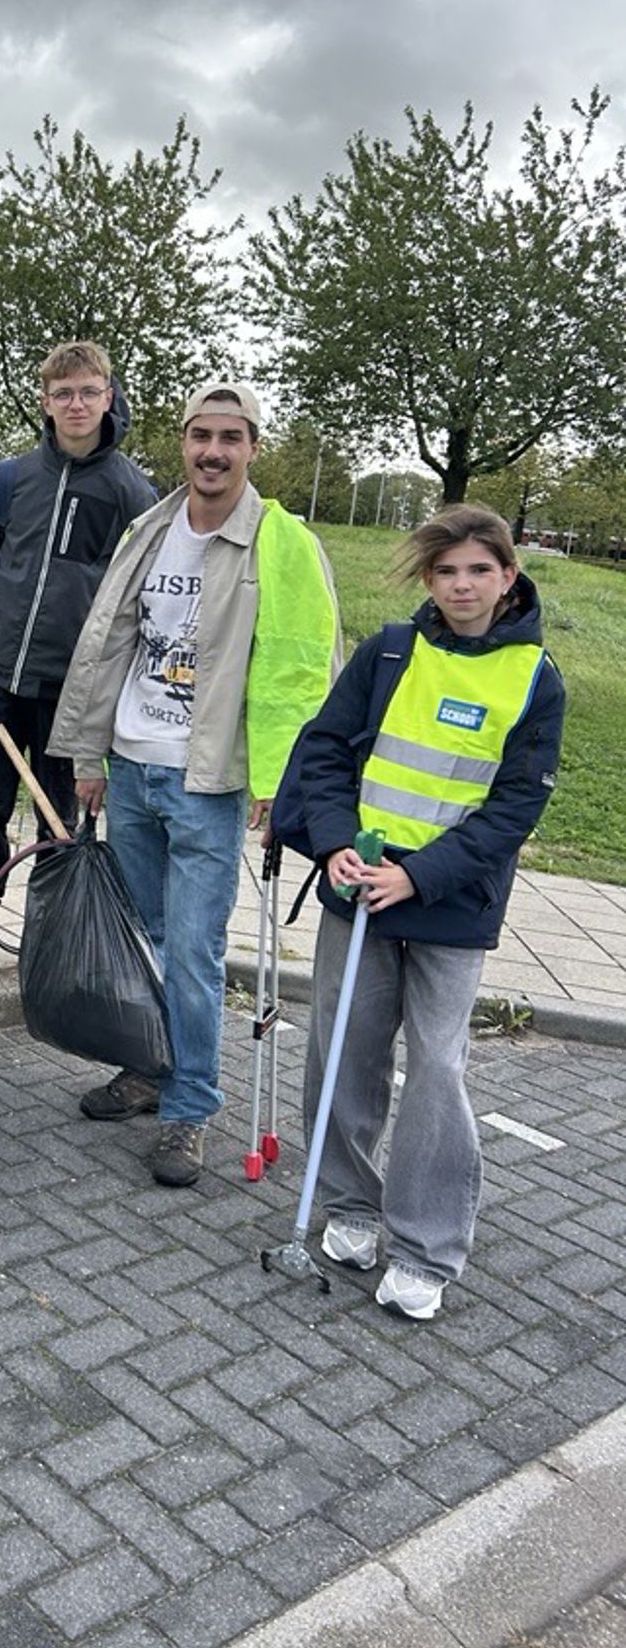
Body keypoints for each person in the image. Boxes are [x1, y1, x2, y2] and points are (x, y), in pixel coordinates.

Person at [49, 381, 339, 1187]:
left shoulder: (282, 542)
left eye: (230, 438)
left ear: (252, 446)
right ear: (182, 441)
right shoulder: (150, 528)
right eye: (200, 435)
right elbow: (110, 644)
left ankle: (189, 1109)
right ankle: (145, 1068)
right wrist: (88, 754)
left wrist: (282, 779)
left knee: (193, 953)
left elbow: (299, 670)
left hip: (207, 779)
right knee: (140, 941)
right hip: (133, 766)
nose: (213, 451)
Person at [291, 505, 564, 1320]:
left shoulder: (535, 677)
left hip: (449, 903)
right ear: (428, 580)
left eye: (480, 570)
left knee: (437, 1072)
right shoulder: (388, 651)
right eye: (447, 571)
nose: (463, 585)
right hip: (360, 884)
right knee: (344, 1050)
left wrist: (422, 877)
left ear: (508, 577)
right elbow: (326, 750)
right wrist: (337, 843)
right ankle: (348, 1206)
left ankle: (425, 1247)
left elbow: (516, 809)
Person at [0, 342, 155, 1002]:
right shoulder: (13, 476)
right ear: (45, 401)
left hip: (71, 690)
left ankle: (45, 944)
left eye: (88, 391)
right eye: (62, 393)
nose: (76, 404)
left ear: (109, 396)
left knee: (57, 822)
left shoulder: (131, 491)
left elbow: (143, 587)